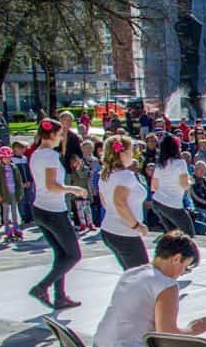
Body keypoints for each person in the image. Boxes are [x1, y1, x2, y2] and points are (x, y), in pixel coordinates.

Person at [29, 118, 88, 309]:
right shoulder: (49, 156)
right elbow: (52, 185)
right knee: (73, 255)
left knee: (62, 255)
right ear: (53, 134)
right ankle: (42, 287)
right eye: (60, 133)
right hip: (53, 210)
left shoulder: (37, 154)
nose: (61, 137)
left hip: (40, 208)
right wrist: (74, 190)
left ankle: (60, 296)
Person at [99, 135, 151, 270]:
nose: (134, 154)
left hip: (110, 229)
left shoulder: (106, 174)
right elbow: (119, 203)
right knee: (142, 274)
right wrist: (137, 226)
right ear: (122, 154)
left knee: (132, 274)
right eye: (131, 151)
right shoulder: (125, 176)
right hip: (124, 232)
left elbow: (105, 202)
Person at [150, 133, 194, 236]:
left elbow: (154, 187)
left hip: (157, 202)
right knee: (188, 235)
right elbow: (185, 185)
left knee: (171, 234)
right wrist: (191, 181)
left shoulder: (160, 164)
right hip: (174, 204)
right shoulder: (180, 163)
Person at [0, 145, 26, 241]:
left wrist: (21, 191)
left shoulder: (14, 167)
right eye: (5, 158)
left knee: (15, 211)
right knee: (6, 212)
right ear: (1, 158)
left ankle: (16, 227)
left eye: (9, 157)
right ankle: (7, 229)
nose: (7, 160)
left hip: (14, 192)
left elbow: (19, 180)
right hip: (4, 194)